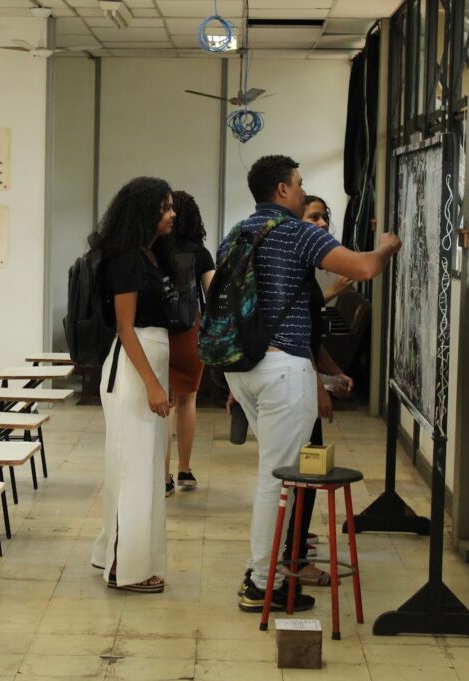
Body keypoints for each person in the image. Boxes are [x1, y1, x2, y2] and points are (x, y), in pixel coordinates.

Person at [222, 155, 401, 613]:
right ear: (282, 190)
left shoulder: (237, 232)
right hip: (282, 367)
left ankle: (263, 573)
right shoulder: (296, 231)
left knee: (272, 471)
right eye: (299, 184)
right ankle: (261, 583)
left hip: (240, 367)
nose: (303, 193)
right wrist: (386, 246)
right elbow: (363, 268)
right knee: (277, 478)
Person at [90, 176, 180, 593]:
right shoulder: (126, 258)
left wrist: (162, 381)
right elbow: (126, 329)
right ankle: (124, 569)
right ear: (145, 212)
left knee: (140, 468)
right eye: (165, 207)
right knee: (134, 471)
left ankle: (113, 553)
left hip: (147, 366)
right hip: (132, 369)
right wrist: (151, 384)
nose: (172, 214)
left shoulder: (151, 254)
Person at [280, 195, 355, 587]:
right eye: (313, 217)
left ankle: (293, 545)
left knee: (306, 473)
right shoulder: (293, 271)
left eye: (325, 217)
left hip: (302, 380)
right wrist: (318, 390)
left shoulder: (307, 273)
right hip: (293, 386)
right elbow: (295, 343)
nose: (323, 224)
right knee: (302, 475)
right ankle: (292, 559)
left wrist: (335, 372)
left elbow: (312, 339)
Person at [164, 191, 215, 497]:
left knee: (165, 404)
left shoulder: (156, 249)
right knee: (187, 400)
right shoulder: (200, 253)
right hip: (189, 332)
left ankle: (163, 477)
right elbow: (214, 294)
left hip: (159, 334)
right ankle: (185, 469)